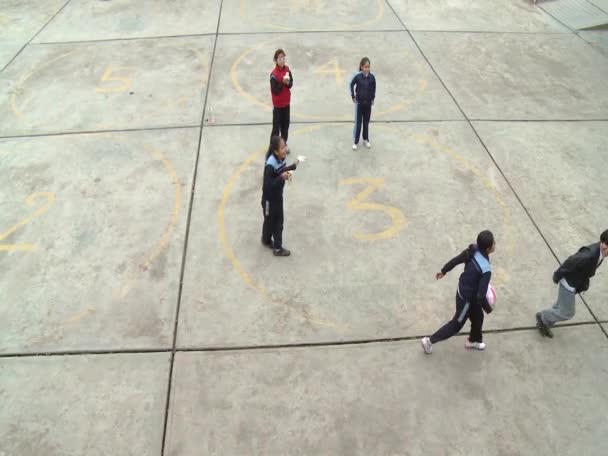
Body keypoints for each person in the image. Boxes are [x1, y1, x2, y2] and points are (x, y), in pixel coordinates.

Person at [421, 230, 496, 354]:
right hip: (466, 302)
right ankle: (429, 341)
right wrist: (489, 308)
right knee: (456, 325)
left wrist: (444, 270)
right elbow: (481, 296)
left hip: (463, 290)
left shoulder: (473, 250)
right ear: (488, 249)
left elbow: (456, 260)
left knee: (478, 317)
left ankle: (473, 340)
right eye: (494, 243)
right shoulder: (486, 270)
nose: (495, 244)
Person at [536, 229, 608, 338]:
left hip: (575, 283)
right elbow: (570, 262)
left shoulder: (600, 252)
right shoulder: (588, 255)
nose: (604, 247)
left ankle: (546, 323)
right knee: (567, 313)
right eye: (604, 243)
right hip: (569, 284)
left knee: (560, 305)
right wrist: (557, 276)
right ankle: (543, 317)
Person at [261, 136, 297, 257]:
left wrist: (292, 167)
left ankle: (265, 240)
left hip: (277, 197)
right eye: (282, 147)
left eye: (285, 146)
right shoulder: (270, 165)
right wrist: (281, 178)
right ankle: (277, 248)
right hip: (270, 200)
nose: (285, 149)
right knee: (277, 222)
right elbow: (267, 185)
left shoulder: (281, 158)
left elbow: (281, 170)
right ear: (276, 151)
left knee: (269, 220)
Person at [349, 57, 376, 150]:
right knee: (358, 123)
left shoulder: (372, 77)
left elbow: (374, 88)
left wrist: (372, 98)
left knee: (366, 122)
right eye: (365, 67)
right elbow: (351, 84)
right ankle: (356, 141)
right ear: (361, 67)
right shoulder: (358, 76)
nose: (367, 69)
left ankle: (365, 139)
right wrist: (353, 96)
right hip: (359, 104)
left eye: (368, 67)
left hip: (368, 104)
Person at [270, 49, 293, 152]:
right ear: (276, 60)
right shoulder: (273, 75)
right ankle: (273, 148)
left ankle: (283, 145)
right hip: (278, 106)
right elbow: (275, 91)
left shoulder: (287, 70)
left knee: (285, 126)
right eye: (280, 59)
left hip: (286, 103)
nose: (282, 61)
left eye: (283, 58)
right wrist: (283, 83)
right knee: (276, 128)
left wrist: (288, 83)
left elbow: (291, 84)